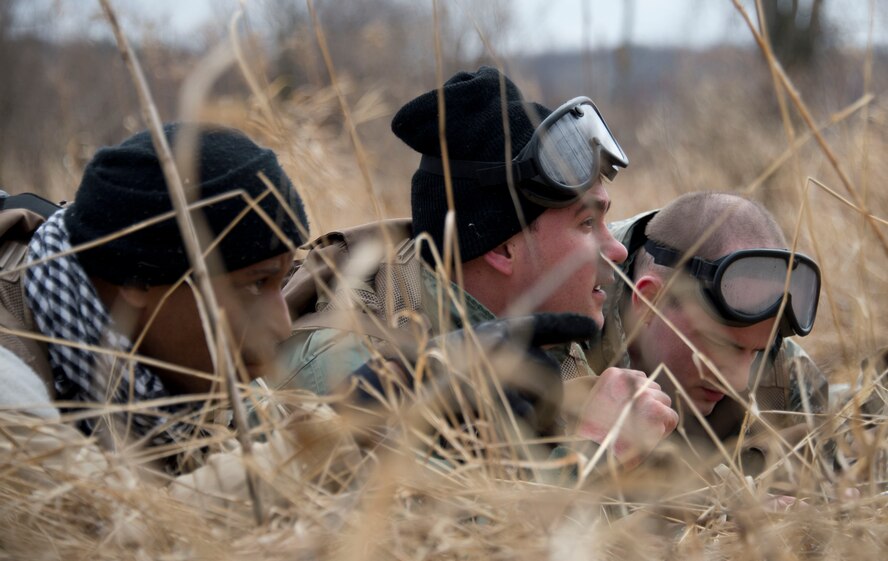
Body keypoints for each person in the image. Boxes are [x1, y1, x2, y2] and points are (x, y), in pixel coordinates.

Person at [275, 66, 679, 467]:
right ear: (502, 249)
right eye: (587, 223)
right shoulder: (348, 366)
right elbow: (442, 524)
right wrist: (598, 451)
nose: (616, 250)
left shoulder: (546, 310)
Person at [0, 123, 359, 485]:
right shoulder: (9, 386)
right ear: (134, 279)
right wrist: (297, 458)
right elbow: (115, 528)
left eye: (280, 283)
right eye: (254, 285)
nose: (281, 325)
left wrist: (362, 418)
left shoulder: (178, 354)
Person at [586, 191, 828, 466]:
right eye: (725, 346)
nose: (738, 380)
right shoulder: (566, 335)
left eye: (756, 351)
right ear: (650, 301)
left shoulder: (785, 373)